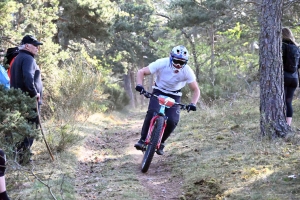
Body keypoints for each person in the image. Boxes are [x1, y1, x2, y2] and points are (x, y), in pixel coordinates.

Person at [134, 45, 200, 155]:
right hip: (159, 91)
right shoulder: (162, 63)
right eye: (176, 61)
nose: (178, 65)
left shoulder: (187, 71)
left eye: (182, 62)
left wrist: (193, 103)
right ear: (171, 57)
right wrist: (139, 85)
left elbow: (196, 90)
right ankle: (142, 140)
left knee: (172, 120)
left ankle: (161, 142)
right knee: (151, 113)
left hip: (175, 95)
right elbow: (141, 72)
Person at [10, 35, 43, 161]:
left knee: (23, 128)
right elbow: (28, 77)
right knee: (31, 128)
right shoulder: (28, 59)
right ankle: (23, 157)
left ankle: (19, 155)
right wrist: (35, 93)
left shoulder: (18, 58)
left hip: (20, 100)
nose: (37, 48)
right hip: (30, 101)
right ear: (27, 46)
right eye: (35, 46)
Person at [282, 27, 300, 126]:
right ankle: (288, 125)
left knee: (281, 101)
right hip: (294, 78)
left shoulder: (281, 46)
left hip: (284, 77)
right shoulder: (296, 48)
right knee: (288, 102)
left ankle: (279, 123)